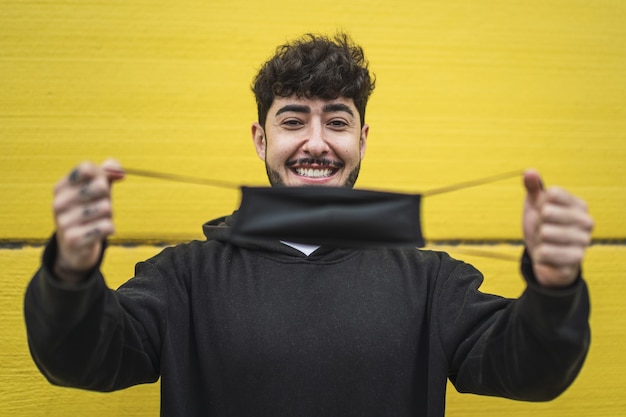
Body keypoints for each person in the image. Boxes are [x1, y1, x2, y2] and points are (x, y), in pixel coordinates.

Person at [24, 33, 594, 417]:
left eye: (337, 122)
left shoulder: (433, 284)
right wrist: (70, 271)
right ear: (260, 138)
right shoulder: (183, 279)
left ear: (362, 141)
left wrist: (554, 286)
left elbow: (534, 373)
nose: (316, 143)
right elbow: (79, 361)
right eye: (293, 120)